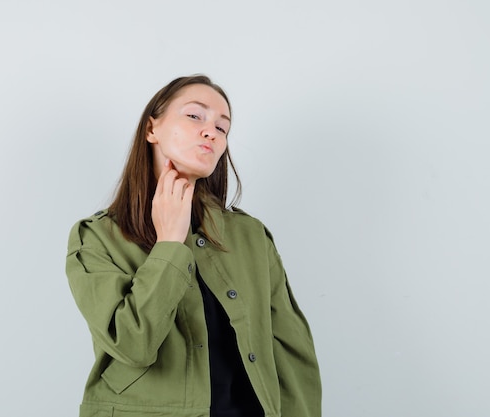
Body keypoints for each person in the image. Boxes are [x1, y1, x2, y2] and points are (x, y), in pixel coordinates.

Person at [65, 74, 321, 417]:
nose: (211, 132)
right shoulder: (97, 238)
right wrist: (169, 243)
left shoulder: (251, 237)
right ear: (151, 129)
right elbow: (133, 345)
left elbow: (291, 356)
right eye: (194, 116)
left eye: (222, 127)